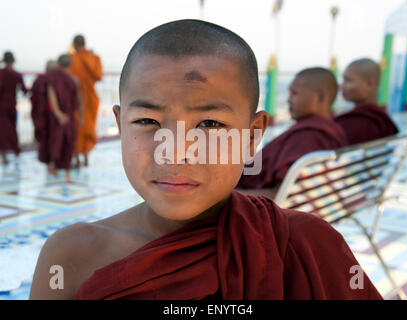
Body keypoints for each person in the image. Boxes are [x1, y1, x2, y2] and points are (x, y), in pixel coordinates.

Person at [30, 20, 382, 300]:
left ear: (252, 135)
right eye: (147, 122)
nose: (175, 150)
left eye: (210, 124)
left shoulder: (304, 244)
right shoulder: (70, 256)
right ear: (121, 126)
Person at [236, 68, 348, 199]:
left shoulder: (308, 136)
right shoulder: (331, 129)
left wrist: (223, 198)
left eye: (294, 94)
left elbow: (281, 196)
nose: (288, 100)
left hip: (261, 209)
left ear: (320, 98)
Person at [334, 58, 399, 145]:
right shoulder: (383, 120)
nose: (342, 86)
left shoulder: (357, 124)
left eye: (348, 80)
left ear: (370, 84)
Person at [46, 54, 82, 182]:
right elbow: (80, 101)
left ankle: (52, 166)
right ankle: (66, 174)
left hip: (59, 118)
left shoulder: (53, 80)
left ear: (58, 65)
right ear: (70, 64)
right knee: (69, 144)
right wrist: (81, 117)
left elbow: (52, 98)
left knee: (56, 143)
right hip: (70, 117)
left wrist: (59, 114)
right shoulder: (74, 80)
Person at [68, 34, 102, 168]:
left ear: (74, 44)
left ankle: (76, 158)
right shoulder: (93, 58)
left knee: (76, 128)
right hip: (89, 99)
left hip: (74, 99)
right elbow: (98, 76)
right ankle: (86, 157)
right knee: (88, 127)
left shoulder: (71, 59)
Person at [0, 51, 28, 165]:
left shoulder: (1, 73)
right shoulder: (17, 75)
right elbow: (25, 91)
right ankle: (16, 152)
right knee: (12, 128)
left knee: (2, 130)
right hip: (12, 105)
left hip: (1, 105)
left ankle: (4, 156)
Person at [30, 60, 57, 170]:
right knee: (54, 139)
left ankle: (48, 163)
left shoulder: (38, 80)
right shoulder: (56, 80)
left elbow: (32, 98)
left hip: (40, 115)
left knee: (45, 139)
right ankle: (53, 163)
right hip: (53, 116)